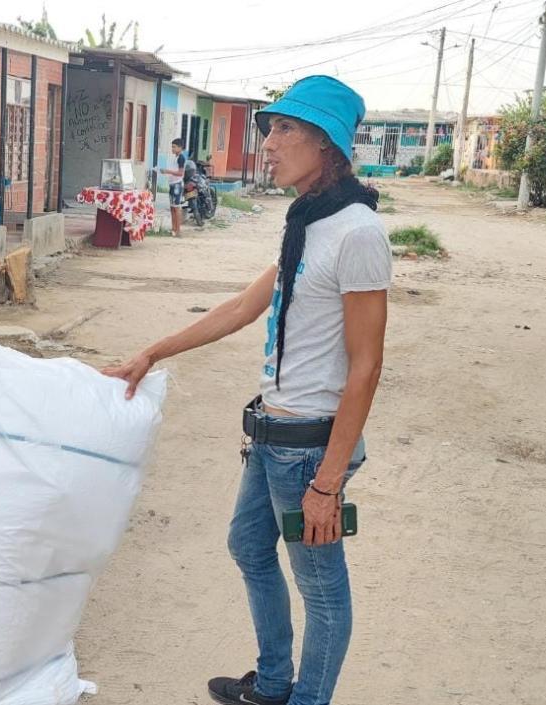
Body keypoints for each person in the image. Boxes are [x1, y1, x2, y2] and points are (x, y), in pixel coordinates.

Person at [104, 75, 390, 705]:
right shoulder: (308, 224)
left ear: (327, 145)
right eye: (271, 128)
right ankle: (275, 680)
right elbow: (241, 308)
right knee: (247, 545)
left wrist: (329, 482)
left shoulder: (357, 233)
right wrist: (152, 352)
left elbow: (365, 366)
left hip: (308, 449)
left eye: (286, 129)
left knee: (321, 585)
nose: (269, 143)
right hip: (272, 432)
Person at [160, 138, 188, 236]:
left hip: (177, 184)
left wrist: (168, 171)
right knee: (172, 207)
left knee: (176, 207)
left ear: (180, 147)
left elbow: (180, 173)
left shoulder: (181, 158)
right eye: (172, 147)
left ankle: (178, 230)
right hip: (172, 184)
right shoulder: (174, 157)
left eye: (174, 147)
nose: (172, 149)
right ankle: (173, 228)